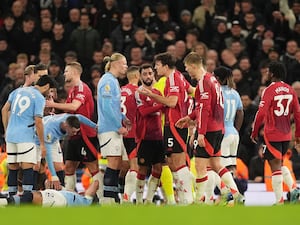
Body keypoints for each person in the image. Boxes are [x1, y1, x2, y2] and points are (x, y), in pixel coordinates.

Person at [176, 52, 244, 205]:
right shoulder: (213, 80)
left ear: (194, 66)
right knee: (215, 164)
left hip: (209, 130)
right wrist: (189, 117)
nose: (188, 72)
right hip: (219, 129)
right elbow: (205, 106)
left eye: (187, 68)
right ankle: (236, 193)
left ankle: (199, 201)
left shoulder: (203, 82)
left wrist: (201, 133)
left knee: (201, 166)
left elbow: (205, 109)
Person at [138, 52, 194, 204]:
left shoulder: (173, 78)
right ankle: (183, 197)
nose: (156, 68)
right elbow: (191, 91)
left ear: (165, 65)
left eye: (157, 65)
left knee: (177, 162)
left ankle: (188, 199)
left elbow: (172, 102)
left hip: (175, 124)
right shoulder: (179, 77)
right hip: (173, 124)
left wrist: (151, 94)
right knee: (171, 162)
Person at [45, 62, 102, 199]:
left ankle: (103, 199)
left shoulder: (82, 88)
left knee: (93, 168)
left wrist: (53, 104)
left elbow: (74, 107)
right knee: (69, 167)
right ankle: (67, 198)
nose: (64, 74)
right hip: (73, 135)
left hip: (85, 134)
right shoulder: (73, 90)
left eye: (66, 71)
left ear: (75, 72)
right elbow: (71, 112)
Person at [251, 61, 300, 205]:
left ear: (272, 73)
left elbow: (261, 113)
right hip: (286, 134)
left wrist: (254, 131)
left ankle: (280, 200)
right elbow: (297, 114)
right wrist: (297, 134)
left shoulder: (269, 90)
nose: (266, 74)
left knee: (275, 167)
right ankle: (293, 189)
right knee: (280, 163)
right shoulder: (290, 89)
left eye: (267, 71)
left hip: (272, 133)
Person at [1, 75, 55, 196]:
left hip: (10, 135)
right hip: (25, 136)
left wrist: (7, 129)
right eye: (50, 90)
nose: (49, 94)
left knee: (13, 168)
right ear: (46, 86)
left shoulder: (17, 91)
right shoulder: (39, 98)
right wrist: (42, 144)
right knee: (27, 169)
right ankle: (26, 200)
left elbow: (4, 110)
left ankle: (11, 199)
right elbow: (38, 122)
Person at [97, 53, 130, 203]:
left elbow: (113, 107)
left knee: (120, 163)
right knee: (113, 162)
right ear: (115, 64)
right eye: (124, 64)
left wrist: (123, 118)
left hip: (113, 128)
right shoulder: (107, 81)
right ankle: (107, 199)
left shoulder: (113, 81)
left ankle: (114, 196)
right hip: (109, 129)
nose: (126, 67)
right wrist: (118, 126)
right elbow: (106, 107)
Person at [37, 114, 97, 190]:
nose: (75, 134)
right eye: (73, 131)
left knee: (59, 167)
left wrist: (95, 126)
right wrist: (53, 175)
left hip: (53, 140)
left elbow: (80, 117)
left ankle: (62, 193)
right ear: (66, 126)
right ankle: (34, 190)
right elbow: (48, 155)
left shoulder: (69, 119)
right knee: (36, 166)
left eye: (76, 132)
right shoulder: (49, 131)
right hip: (37, 139)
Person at [135, 64, 165, 204]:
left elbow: (159, 110)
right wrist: (161, 104)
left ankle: (149, 200)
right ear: (140, 76)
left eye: (150, 73)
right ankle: (139, 201)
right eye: (145, 74)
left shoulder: (157, 93)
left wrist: (159, 105)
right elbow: (144, 112)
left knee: (158, 169)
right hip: (145, 136)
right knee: (142, 168)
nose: (148, 76)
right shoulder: (139, 92)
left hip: (158, 137)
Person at [214, 66, 244, 172]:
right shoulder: (234, 93)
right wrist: (236, 129)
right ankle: (232, 187)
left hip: (223, 133)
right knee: (231, 166)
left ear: (217, 78)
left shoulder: (217, 92)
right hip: (234, 133)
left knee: (221, 167)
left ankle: (227, 188)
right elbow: (240, 112)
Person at [0, 180, 99, 207]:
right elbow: (47, 182)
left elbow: (95, 183)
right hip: (57, 199)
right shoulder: (76, 198)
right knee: (28, 200)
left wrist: (87, 194)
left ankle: (5, 202)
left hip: (59, 200)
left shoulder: (87, 201)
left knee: (30, 198)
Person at [120, 66, 140, 202]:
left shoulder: (119, 91)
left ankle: (120, 193)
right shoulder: (138, 91)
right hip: (133, 132)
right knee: (135, 166)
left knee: (124, 166)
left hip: (119, 132)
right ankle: (126, 198)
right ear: (137, 76)